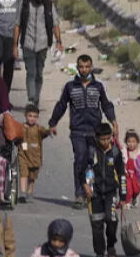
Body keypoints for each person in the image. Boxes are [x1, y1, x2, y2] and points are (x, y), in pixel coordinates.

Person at [47, 55, 115, 209]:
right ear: (77, 68)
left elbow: (106, 105)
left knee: (92, 160)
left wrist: (113, 121)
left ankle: (90, 191)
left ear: (91, 67)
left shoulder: (98, 87)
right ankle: (79, 194)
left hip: (94, 131)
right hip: (77, 131)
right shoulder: (70, 87)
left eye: (87, 66)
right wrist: (53, 122)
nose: (84, 70)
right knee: (80, 160)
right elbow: (61, 105)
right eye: (81, 67)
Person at [84, 123, 127, 257]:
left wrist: (123, 196)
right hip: (94, 194)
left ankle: (111, 245)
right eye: (102, 139)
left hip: (111, 193)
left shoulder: (115, 153)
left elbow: (122, 175)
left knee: (111, 219)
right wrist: (85, 186)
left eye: (108, 138)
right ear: (97, 138)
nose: (105, 142)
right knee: (96, 224)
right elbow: (81, 170)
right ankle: (99, 252)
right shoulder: (90, 152)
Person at [18, 0, 61, 107]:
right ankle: (31, 98)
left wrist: (59, 41)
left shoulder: (48, 4)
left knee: (39, 73)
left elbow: (55, 24)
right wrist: (15, 44)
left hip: (43, 44)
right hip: (28, 43)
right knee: (31, 72)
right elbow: (17, 25)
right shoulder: (25, 3)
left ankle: (36, 98)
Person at [17, 104, 49, 203]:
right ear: (25, 115)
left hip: (35, 156)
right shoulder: (21, 127)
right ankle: (22, 193)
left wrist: (50, 131)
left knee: (32, 176)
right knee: (23, 172)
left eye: (35, 116)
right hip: (23, 154)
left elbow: (45, 132)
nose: (32, 119)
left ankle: (29, 191)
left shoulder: (39, 128)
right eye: (30, 116)